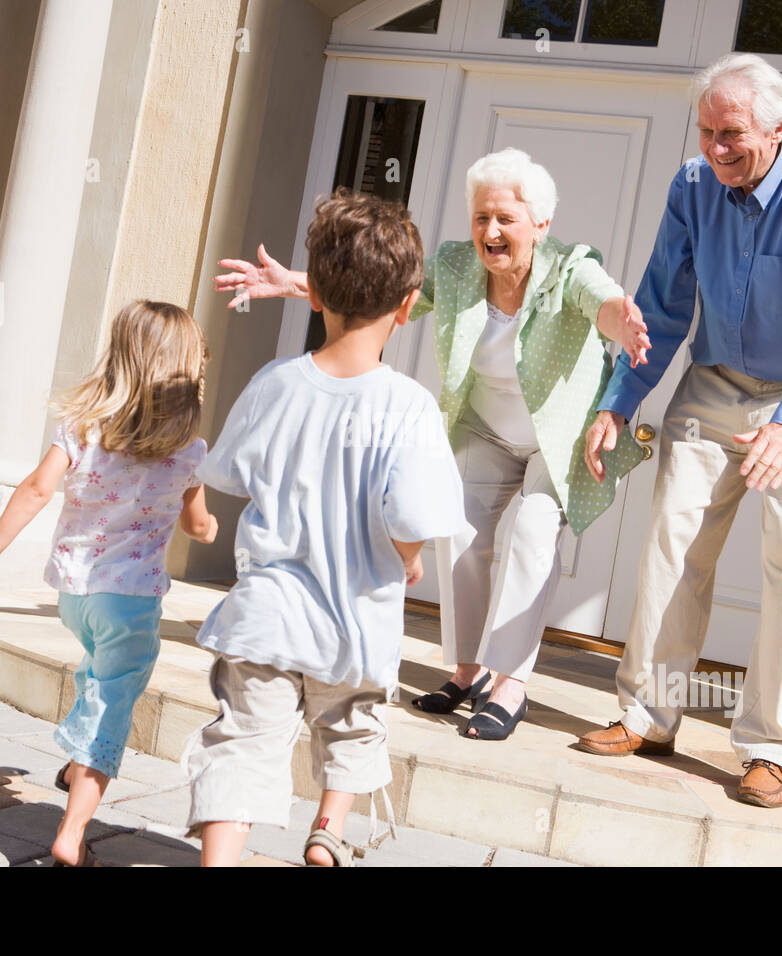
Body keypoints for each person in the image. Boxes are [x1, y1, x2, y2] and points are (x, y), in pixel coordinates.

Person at [215, 148, 650, 741]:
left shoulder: (572, 267)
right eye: (480, 218)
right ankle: (468, 669)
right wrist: (297, 283)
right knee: (462, 532)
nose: (490, 232)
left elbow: (601, 301)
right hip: (486, 427)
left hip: (556, 437)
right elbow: (381, 291)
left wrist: (620, 323)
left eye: (504, 220)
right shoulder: (454, 265)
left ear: (540, 225)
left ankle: (510, 681)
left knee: (531, 533)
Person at [578, 53, 782, 809]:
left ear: (778, 128)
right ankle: (650, 714)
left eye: (733, 134)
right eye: (707, 130)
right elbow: (664, 300)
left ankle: (773, 746)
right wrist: (622, 400)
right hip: (716, 381)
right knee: (674, 544)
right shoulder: (692, 186)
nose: (715, 149)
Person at [183, 190, 467, 866]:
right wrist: (411, 556)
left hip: (267, 616)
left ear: (314, 295)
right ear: (407, 307)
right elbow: (411, 516)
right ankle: (327, 831)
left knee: (243, 743)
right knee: (351, 728)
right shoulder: (410, 407)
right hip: (357, 620)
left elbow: (227, 474)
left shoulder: (275, 384)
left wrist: (196, 512)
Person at [0, 299, 218, 865]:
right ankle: (71, 834)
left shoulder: (81, 428)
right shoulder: (189, 451)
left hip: (74, 594)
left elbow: (34, 490)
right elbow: (199, 527)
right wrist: (211, 524)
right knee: (111, 709)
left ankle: (73, 764)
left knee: (98, 679)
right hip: (133, 602)